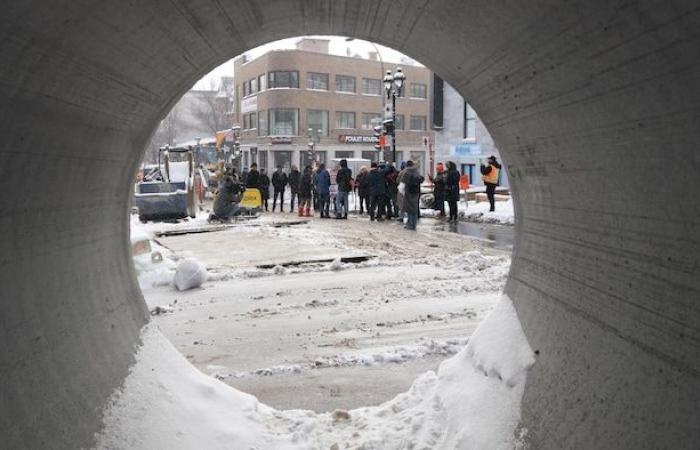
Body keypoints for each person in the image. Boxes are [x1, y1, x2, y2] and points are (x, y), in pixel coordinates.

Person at [403, 161, 424, 230]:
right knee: (414, 208)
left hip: (409, 192)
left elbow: (404, 181)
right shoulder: (417, 172)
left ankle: (410, 224)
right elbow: (421, 179)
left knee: (409, 208)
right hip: (416, 192)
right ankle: (413, 224)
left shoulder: (406, 172)